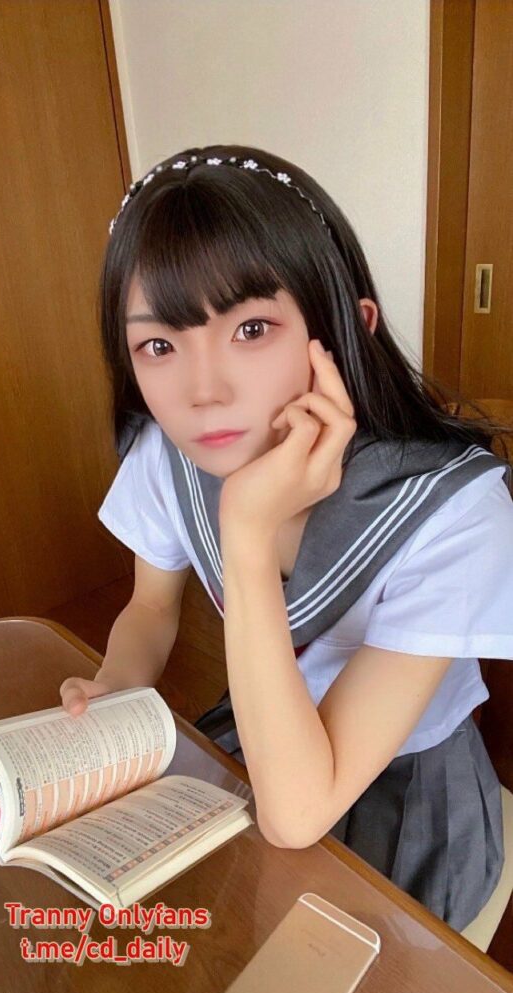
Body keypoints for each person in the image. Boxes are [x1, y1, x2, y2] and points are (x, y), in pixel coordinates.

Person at [60, 144, 513, 931]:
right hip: (261, 729)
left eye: (252, 328)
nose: (203, 391)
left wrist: (246, 530)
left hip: (407, 789)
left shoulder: (454, 512)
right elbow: (152, 606)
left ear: (347, 331)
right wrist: (115, 684)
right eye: (159, 345)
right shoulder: (168, 455)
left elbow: (298, 813)